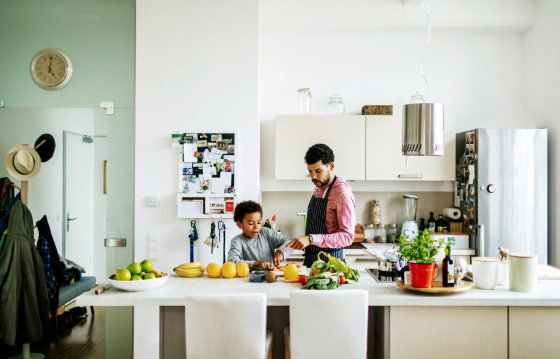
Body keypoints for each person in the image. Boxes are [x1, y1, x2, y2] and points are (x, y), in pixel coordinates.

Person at [286, 143, 355, 267]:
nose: (313, 177)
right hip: (311, 259)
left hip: (330, 263)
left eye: (318, 171)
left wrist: (311, 239)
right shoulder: (319, 186)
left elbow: (348, 236)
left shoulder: (342, 193)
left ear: (331, 166)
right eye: (310, 171)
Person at [227, 200, 293, 270]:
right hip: (248, 279)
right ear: (239, 224)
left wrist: (281, 252)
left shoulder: (266, 233)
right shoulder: (237, 241)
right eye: (251, 223)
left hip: (271, 277)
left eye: (259, 222)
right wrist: (256, 264)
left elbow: (289, 241)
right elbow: (232, 261)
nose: (256, 227)